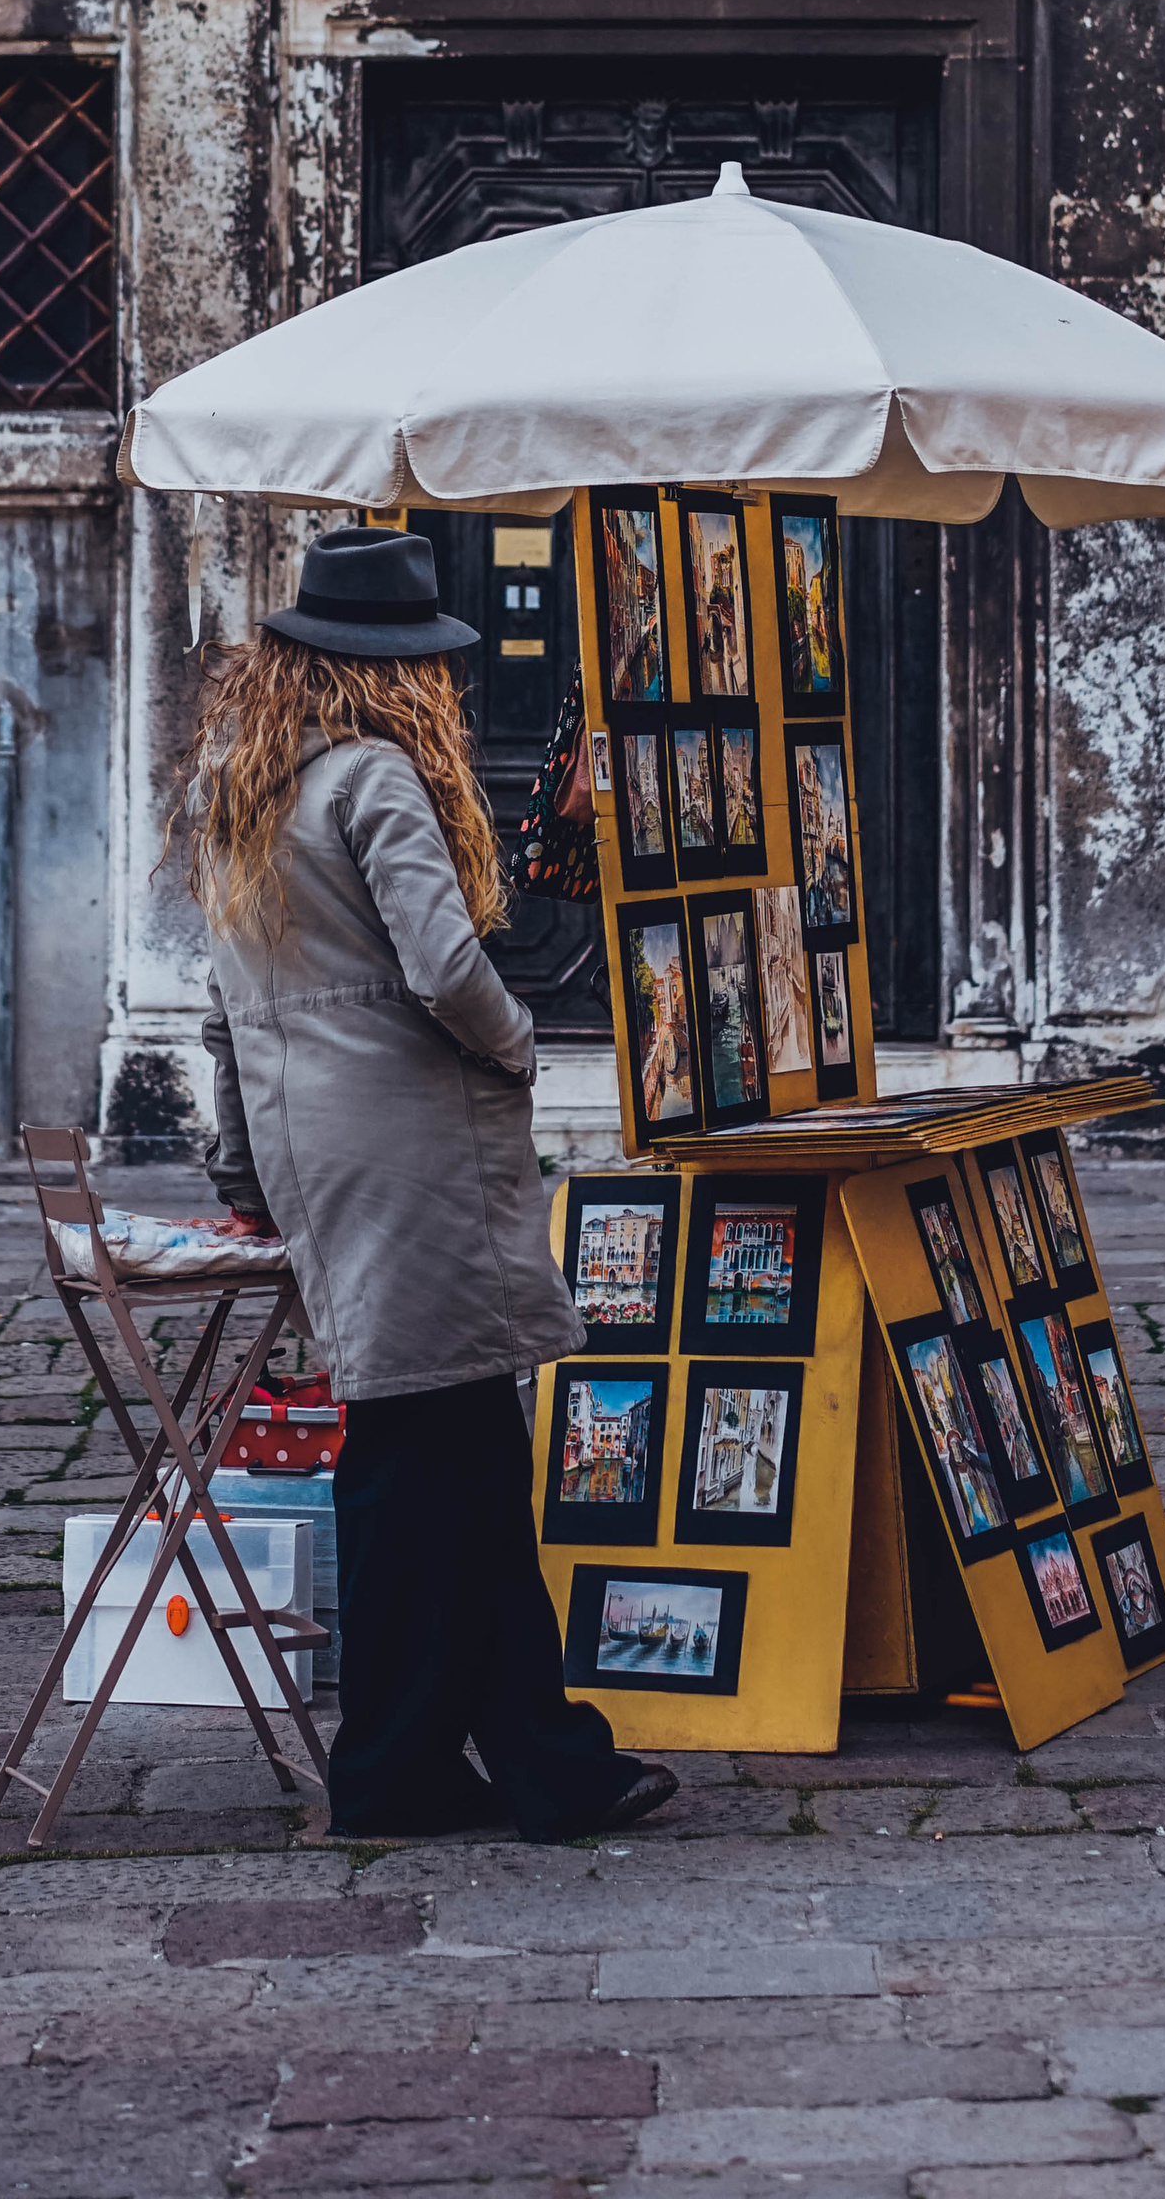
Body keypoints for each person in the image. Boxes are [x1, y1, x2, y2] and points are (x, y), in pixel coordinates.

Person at [183, 522, 677, 1848]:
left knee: (441, 1445)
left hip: (314, 1148)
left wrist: (240, 1165)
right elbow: (448, 967)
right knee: (426, 1452)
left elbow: (223, 1012)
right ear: (400, 670)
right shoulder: (374, 782)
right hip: (413, 1146)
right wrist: (517, 1049)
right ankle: (443, 1764)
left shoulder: (239, 784)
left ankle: (503, 1757)